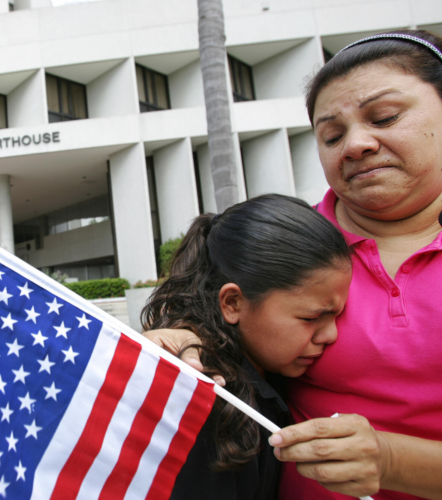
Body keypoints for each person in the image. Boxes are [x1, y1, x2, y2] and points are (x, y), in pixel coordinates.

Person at [145, 29, 442, 500]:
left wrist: (390, 460)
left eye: (384, 117)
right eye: (331, 134)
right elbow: (227, 319)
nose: (357, 144)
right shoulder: (295, 243)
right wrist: (186, 336)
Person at [142, 194, 352, 500]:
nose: (330, 335)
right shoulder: (213, 403)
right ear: (233, 303)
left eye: (338, 315)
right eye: (311, 317)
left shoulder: (268, 371)